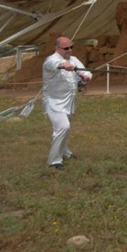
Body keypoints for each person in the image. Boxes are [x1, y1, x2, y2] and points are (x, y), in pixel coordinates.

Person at [42, 36, 93, 170]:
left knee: (65, 128)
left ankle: (65, 152)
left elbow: (85, 72)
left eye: (71, 47)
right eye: (66, 48)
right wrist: (63, 65)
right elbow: (52, 65)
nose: (69, 50)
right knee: (63, 127)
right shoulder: (51, 60)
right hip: (54, 102)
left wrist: (86, 76)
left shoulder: (74, 60)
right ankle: (54, 161)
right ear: (57, 48)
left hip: (70, 101)